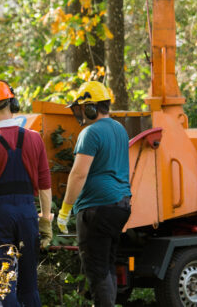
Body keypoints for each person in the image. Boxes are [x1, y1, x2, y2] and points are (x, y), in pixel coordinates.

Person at [0, 80, 53, 307]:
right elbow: (44, 184)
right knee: (29, 286)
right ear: (13, 102)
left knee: (3, 283)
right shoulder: (35, 139)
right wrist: (45, 218)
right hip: (27, 213)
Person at [56, 81, 132, 306]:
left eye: (81, 108)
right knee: (107, 264)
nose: (79, 113)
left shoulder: (90, 132)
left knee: (96, 270)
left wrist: (65, 211)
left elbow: (78, 175)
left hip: (97, 208)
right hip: (121, 205)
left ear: (91, 108)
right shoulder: (120, 129)